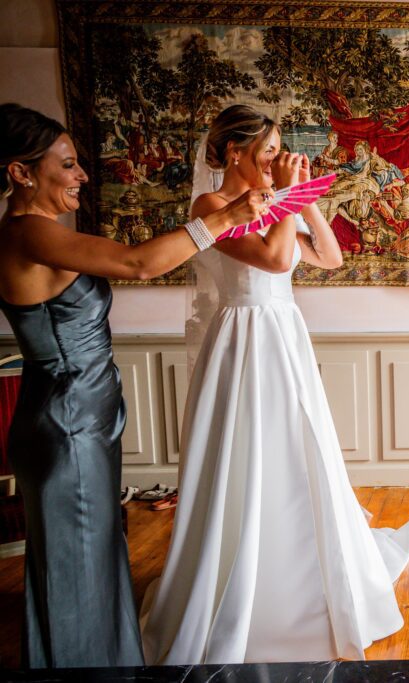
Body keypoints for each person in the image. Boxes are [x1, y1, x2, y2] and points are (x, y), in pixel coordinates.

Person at [139, 104, 409, 665]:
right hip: (241, 337)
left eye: (277, 150)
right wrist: (289, 199)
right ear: (234, 153)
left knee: (299, 450)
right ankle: (237, 585)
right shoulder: (211, 206)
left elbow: (331, 257)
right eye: (268, 150)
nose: (277, 160)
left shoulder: (276, 204)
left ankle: (311, 577)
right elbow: (274, 260)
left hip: (283, 335)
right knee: (243, 453)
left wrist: (308, 202)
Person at [0, 103, 268, 668]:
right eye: (68, 165)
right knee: (78, 567)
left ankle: (107, 663)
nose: (83, 176)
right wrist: (224, 217)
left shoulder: (40, 234)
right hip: (66, 422)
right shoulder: (28, 235)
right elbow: (141, 263)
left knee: (94, 556)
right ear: (21, 173)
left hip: (82, 417)